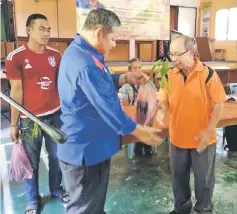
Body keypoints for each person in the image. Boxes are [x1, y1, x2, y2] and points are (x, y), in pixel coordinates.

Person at [57, 8, 164, 214]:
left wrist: (124, 78)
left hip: (91, 146)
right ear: (99, 32)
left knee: (93, 207)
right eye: (114, 39)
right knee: (85, 209)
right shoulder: (85, 63)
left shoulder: (84, 53)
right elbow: (110, 108)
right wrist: (139, 131)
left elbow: (98, 84)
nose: (115, 45)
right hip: (86, 150)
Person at [5, 14, 69, 214]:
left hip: (55, 115)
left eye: (48, 29)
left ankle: (56, 189)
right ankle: (33, 200)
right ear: (28, 30)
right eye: (41, 28)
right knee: (30, 163)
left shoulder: (55, 55)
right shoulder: (15, 57)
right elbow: (16, 91)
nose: (46, 33)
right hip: (29, 120)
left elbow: (61, 84)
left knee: (56, 157)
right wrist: (14, 124)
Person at [157, 35, 226, 214]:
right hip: (177, 138)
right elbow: (163, 97)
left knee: (203, 180)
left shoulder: (208, 74)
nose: (172, 59)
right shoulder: (169, 74)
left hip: (202, 140)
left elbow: (219, 103)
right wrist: (161, 108)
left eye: (177, 54)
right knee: (178, 177)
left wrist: (210, 129)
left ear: (191, 52)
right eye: (170, 54)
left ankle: (203, 209)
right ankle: (182, 207)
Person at [119, 58, 154, 156]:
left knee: (148, 119)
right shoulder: (125, 86)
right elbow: (125, 106)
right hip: (132, 115)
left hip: (144, 114)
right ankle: (141, 143)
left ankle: (144, 144)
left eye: (139, 68)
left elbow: (152, 97)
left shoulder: (146, 82)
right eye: (134, 68)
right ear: (129, 70)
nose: (137, 70)